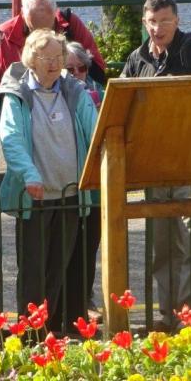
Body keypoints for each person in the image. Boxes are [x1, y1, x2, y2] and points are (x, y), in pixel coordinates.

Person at [121, 0, 191, 332]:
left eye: (164, 21)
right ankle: (166, 316)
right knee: (163, 244)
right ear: (144, 22)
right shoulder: (137, 59)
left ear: (177, 21)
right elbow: (123, 105)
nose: (157, 28)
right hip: (155, 162)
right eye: (151, 21)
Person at [0, 29, 97, 333]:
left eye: (59, 57)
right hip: (36, 196)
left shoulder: (74, 91)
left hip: (70, 192)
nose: (54, 64)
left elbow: (95, 131)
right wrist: (29, 175)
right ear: (31, 58)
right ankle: (30, 334)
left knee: (59, 267)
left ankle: (51, 330)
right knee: (33, 272)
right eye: (47, 58)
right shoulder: (17, 93)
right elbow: (11, 138)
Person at [0, 0, 106, 88]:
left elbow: (98, 70)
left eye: (48, 30)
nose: (41, 37)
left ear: (55, 13)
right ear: (23, 13)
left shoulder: (70, 23)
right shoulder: (3, 35)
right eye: (34, 30)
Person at [64, 41, 104, 321]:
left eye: (83, 68)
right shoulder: (57, 93)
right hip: (66, 180)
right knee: (66, 244)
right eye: (70, 68)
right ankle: (64, 303)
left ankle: (85, 299)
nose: (78, 73)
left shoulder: (100, 93)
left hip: (94, 184)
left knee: (89, 244)